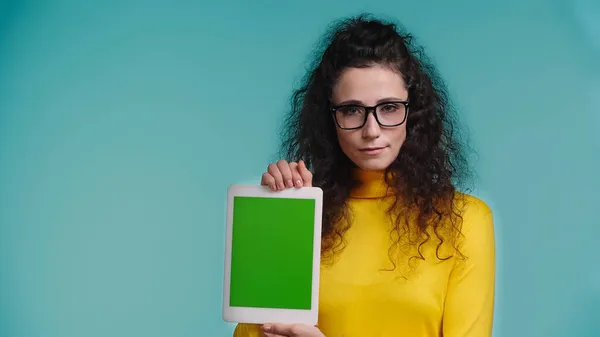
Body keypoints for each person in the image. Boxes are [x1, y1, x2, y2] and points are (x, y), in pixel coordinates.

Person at [233, 13, 496, 337]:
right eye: (352, 110)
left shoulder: (464, 221)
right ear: (330, 119)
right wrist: (275, 222)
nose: (371, 130)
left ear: (413, 113)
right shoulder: (303, 214)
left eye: (388, 107)